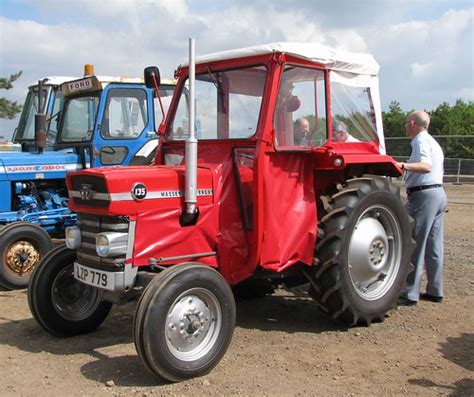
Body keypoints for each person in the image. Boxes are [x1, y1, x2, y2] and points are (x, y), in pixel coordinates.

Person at [397, 110, 447, 306]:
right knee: (434, 245)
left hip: (424, 195)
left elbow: (425, 165)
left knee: (414, 243)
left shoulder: (419, 140)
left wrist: (403, 165)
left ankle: (410, 292)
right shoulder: (434, 142)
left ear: (411, 123)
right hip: (439, 194)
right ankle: (435, 290)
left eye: (405, 123)